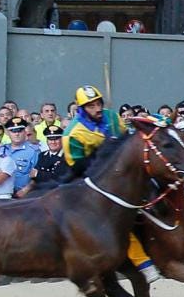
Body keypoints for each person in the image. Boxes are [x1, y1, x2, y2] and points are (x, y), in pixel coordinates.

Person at [62, 86, 161, 282]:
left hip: (123, 175)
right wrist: (105, 155)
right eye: (91, 106)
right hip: (93, 181)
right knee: (117, 219)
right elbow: (77, 166)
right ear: (81, 108)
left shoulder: (113, 117)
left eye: (98, 103)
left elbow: (128, 137)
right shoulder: (72, 134)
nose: (98, 108)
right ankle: (143, 264)